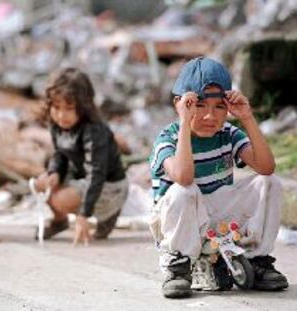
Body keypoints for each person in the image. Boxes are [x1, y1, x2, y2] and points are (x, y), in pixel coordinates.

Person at [149, 57, 288, 298]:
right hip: (182, 223)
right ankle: (178, 266)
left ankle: (257, 259)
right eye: (199, 105)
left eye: (219, 107)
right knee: (185, 189)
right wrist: (184, 123)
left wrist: (246, 117)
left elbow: (266, 167)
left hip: (216, 220)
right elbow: (182, 176)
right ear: (179, 104)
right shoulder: (168, 138)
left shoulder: (228, 134)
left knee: (269, 182)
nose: (209, 116)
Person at [35, 68, 128, 245]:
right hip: (81, 176)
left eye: (69, 108)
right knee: (42, 183)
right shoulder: (57, 124)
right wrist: (54, 172)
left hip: (108, 185)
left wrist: (83, 215)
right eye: (56, 107)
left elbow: (96, 174)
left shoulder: (94, 131)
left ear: (83, 107)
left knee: (59, 200)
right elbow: (60, 154)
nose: (62, 115)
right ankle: (60, 221)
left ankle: (107, 215)